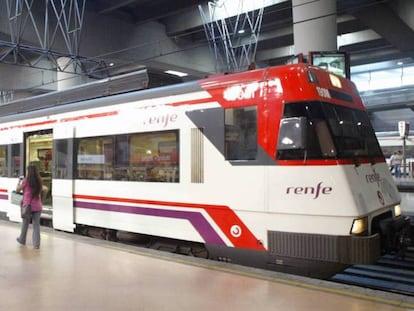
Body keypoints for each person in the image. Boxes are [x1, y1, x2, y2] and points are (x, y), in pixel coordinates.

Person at [16, 164, 43, 249]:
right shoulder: (39, 181)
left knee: (25, 224)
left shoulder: (25, 181)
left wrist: (19, 181)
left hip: (27, 206)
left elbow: (17, 189)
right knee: (36, 225)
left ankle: (22, 239)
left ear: (29, 172)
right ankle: (36, 244)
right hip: (37, 206)